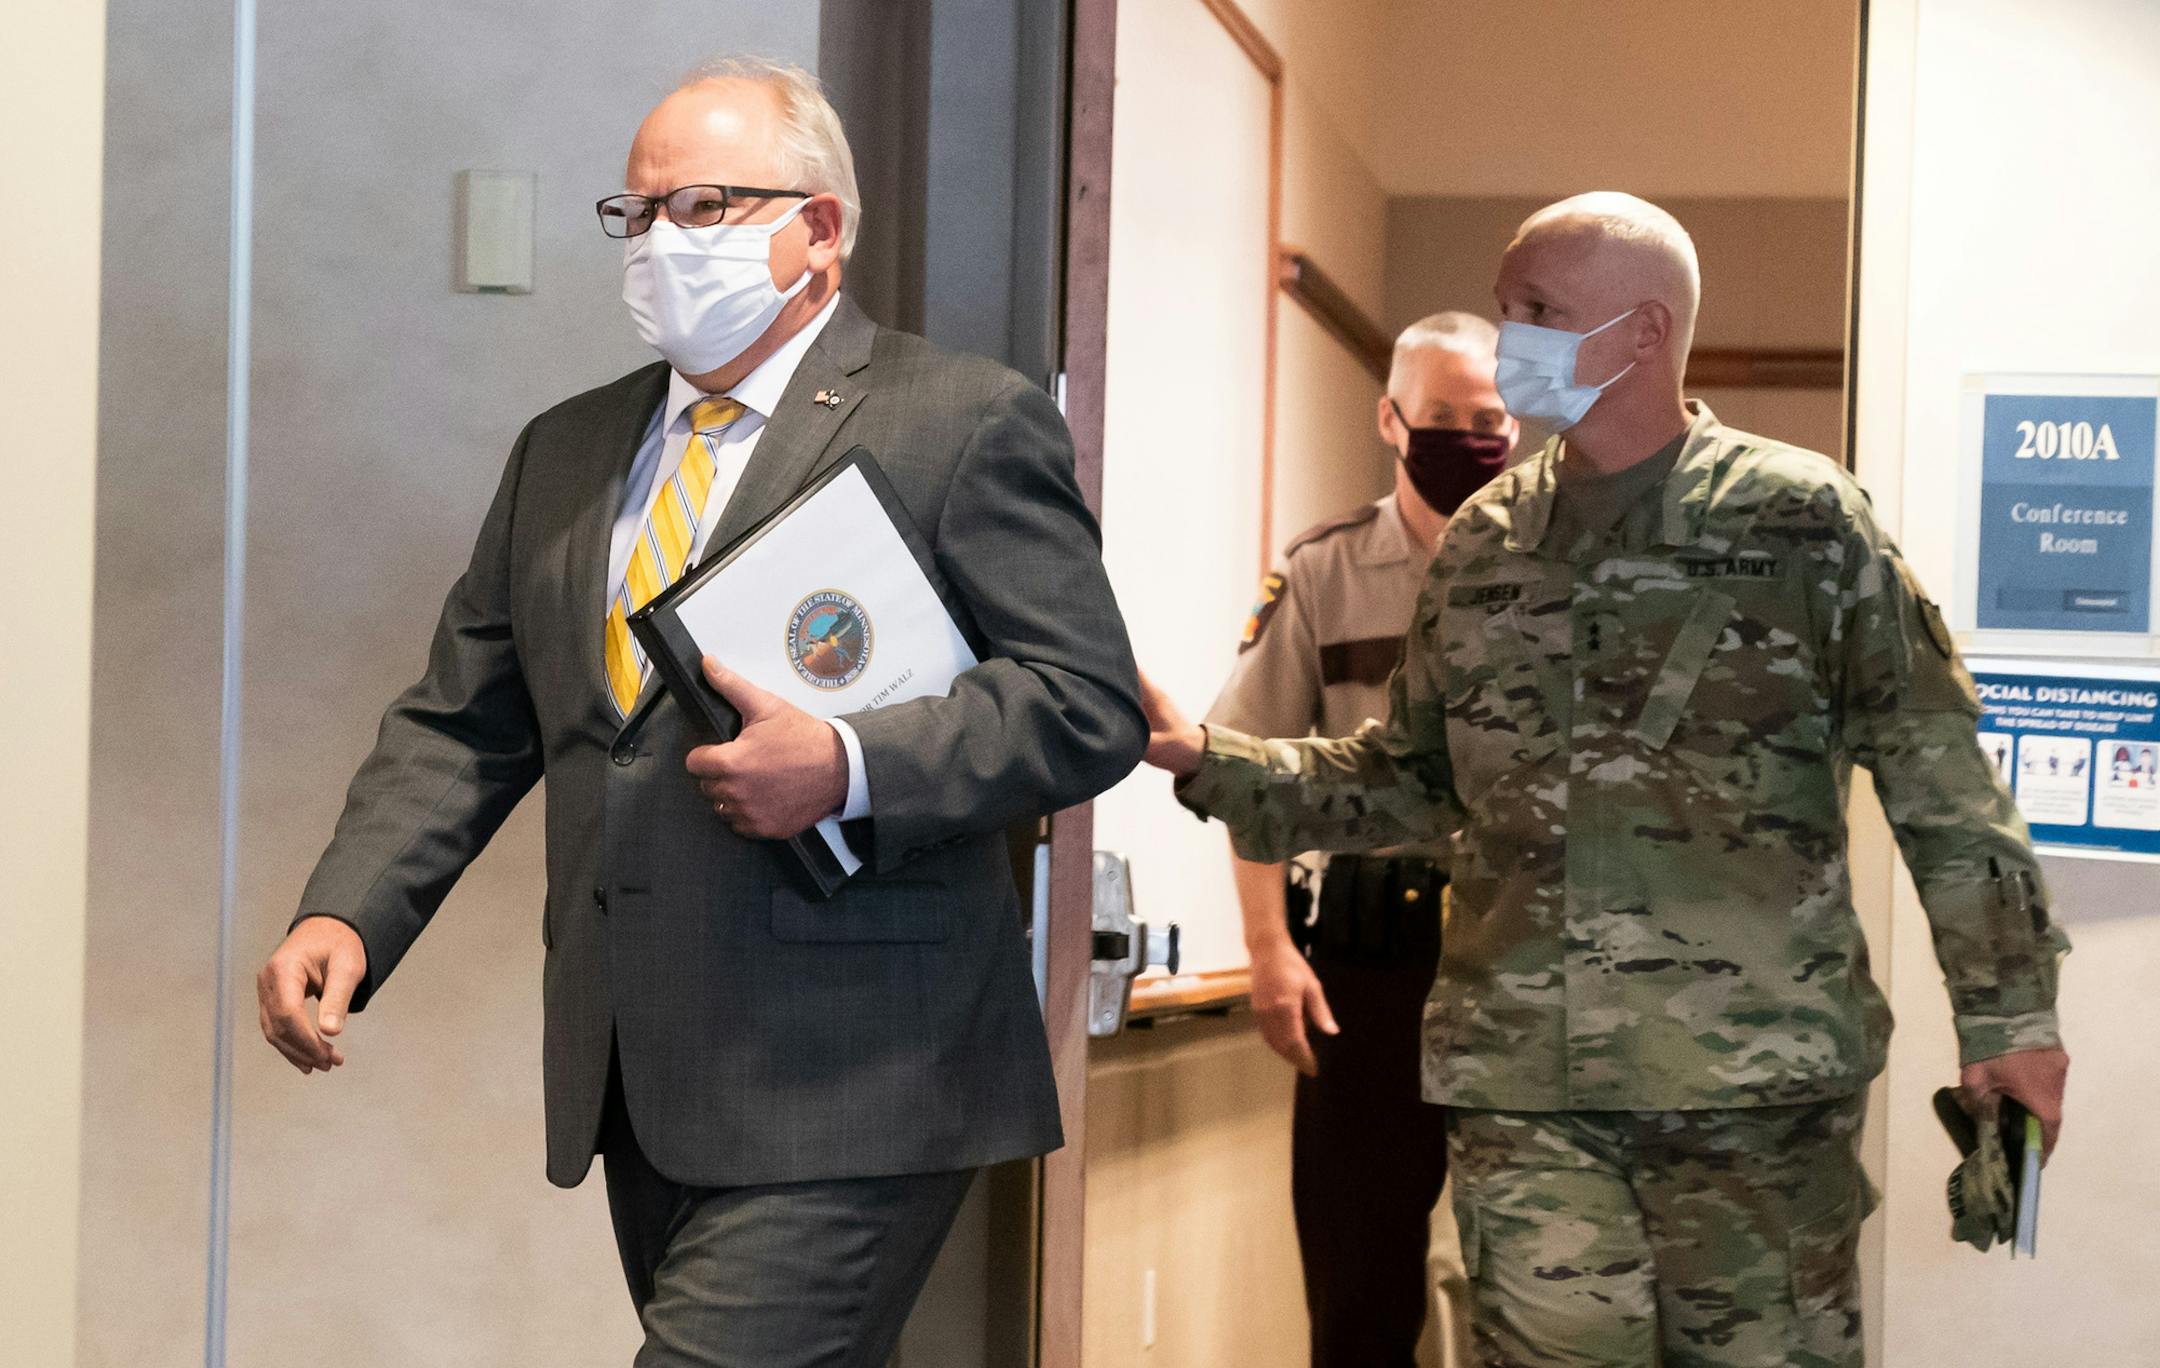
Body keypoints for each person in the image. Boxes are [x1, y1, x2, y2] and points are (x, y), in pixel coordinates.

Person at [253, 55, 1145, 1366]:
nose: (660, 243)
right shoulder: (566, 450)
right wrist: (349, 907)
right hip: (644, 1070)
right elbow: (466, 722)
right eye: (638, 213)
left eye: (704, 209)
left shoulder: (957, 422)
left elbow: (1086, 703)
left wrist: (847, 765)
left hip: (862, 1076)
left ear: (818, 231)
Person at [1141, 192, 2069, 1368]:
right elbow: (1413, 778)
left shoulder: (1802, 522)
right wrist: (1205, 756)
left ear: (1642, 332)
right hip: (1531, 1091)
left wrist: (2011, 1018)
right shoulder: (1484, 543)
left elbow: (1942, 783)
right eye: (1505, 305)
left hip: (1752, 1089)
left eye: (1538, 310)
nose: (1508, 335)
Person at [1204, 312, 1511, 1368]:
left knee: (1537, 1293)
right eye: (1442, 418)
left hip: (1520, 966)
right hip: (1369, 974)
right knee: (1359, 1296)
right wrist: (1268, 950)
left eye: (1490, 419)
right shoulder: (1325, 572)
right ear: (1390, 418)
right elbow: (1247, 771)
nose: (1469, 439)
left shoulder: (1556, 568)